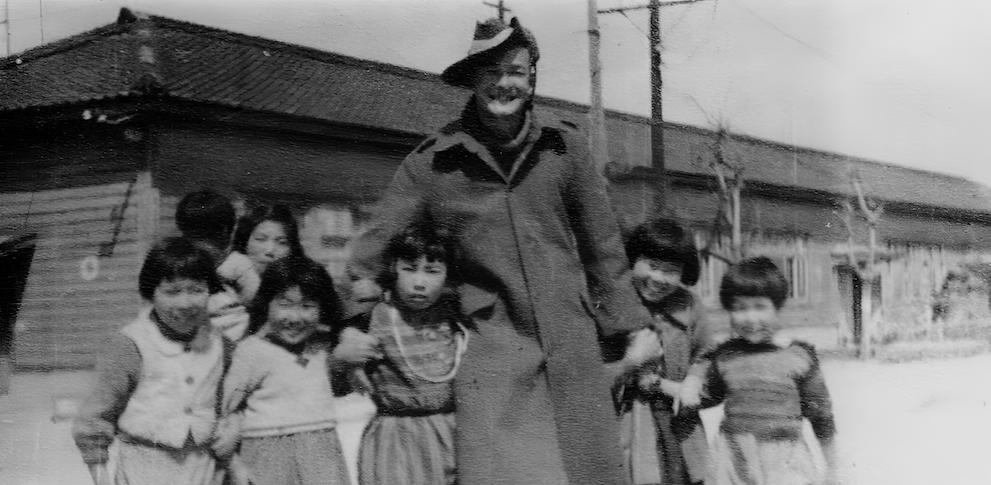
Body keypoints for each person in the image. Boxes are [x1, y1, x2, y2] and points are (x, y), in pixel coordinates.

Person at [342, 16, 657, 485]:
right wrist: (353, 325)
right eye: (491, 71)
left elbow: (603, 248)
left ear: (532, 79)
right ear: (473, 79)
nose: (504, 83)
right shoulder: (433, 162)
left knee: (586, 469)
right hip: (490, 343)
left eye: (515, 71)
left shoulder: (564, 148)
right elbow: (373, 247)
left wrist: (631, 327)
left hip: (571, 338)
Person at [72, 237, 228, 485]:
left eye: (196, 290)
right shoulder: (131, 344)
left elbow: (232, 402)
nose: (185, 303)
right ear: (151, 293)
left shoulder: (220, 344)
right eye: (172, 292)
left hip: (202, 469)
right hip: (143, 465)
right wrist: (100, 473)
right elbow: (96, 415)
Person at [335, 220, 467, 485]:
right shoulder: (377, 316)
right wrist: (348, 352)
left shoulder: (452, 316)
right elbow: (342, 322)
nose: (419, 282)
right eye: (408, 269)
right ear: (393, 269)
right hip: (396, 435)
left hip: (448, 433)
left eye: (432, 271)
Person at [699, 257, 838, 485]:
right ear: (729, 311)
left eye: (760, 306)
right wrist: (665, 386)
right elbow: (707, 395)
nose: (751, 318)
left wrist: (832, 470)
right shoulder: (725, 356)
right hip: (734, 456)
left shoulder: (798, 356)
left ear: (777, 307)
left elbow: (821, 414)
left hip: (785, 459)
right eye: (740, 308)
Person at [214, 256, 350, 485]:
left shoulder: (321, 347)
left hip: (321, 453)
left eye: (307, 306)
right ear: (267, 304)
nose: (294, 317)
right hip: (268, 455)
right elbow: (225, 407)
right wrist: (233, 463)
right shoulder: (252, 351)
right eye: (284, 304)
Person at [613, 218, 718, 485]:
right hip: (627, 419)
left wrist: (693, 381)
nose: (658, 278)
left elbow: (706, 355)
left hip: (678, 419)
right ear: (633, 259)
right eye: (652, 265)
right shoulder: (614, 303)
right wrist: (632, 360)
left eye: (670, 270)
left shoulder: (689, 306)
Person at [176, 189, 259, 341]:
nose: (201, 246)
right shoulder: (182, 261)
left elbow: (254, 298)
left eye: (208, 238)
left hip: (229, 332)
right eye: (193, 238)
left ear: (226, 234)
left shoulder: (237, 264)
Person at [230, 205, 305, 335]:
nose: (270, 251)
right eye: (260, 239)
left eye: (282, 242)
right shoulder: (225, 284)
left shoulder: (299, 288)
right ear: (244, 242)